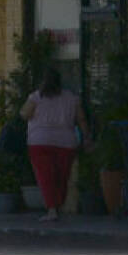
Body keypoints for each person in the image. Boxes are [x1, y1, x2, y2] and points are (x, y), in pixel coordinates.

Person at [23, 68, 83, 222]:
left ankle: (52, 209)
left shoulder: (36, 97)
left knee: (46, 177)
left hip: (39, 141)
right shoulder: (71, 98)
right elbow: (81, 120)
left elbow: (24, 114)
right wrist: (87, 137)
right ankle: (58, 205)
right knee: (61, 176)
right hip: (66, 143)